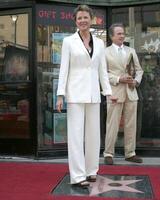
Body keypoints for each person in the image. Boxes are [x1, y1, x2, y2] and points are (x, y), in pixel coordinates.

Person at [56, 5, 115, 187]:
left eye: (86, 17)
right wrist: (60, 95)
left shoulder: (99, 42)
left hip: (93, 95)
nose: (83, 20)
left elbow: (102, 70)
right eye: (79, 18)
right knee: (75, 136)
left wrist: (108, 92)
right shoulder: (68, 41)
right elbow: (63, 69)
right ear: (75, 21)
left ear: (92, 20)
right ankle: (78, 175)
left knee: (93, 136)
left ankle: (91, 171)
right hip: (74, 94)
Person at [103, 23, 144, 165]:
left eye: (123, 33)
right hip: (114, 92)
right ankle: (108, 153)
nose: (122, 36)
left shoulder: (131, 51)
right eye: (119, 33)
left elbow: (139, 70)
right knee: (112, 124)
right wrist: (118, 79)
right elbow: (102, 74)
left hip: (131, 93)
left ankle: (130, 153)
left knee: (131, 125)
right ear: (112, 36)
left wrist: (136, 82)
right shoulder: (105, 52)